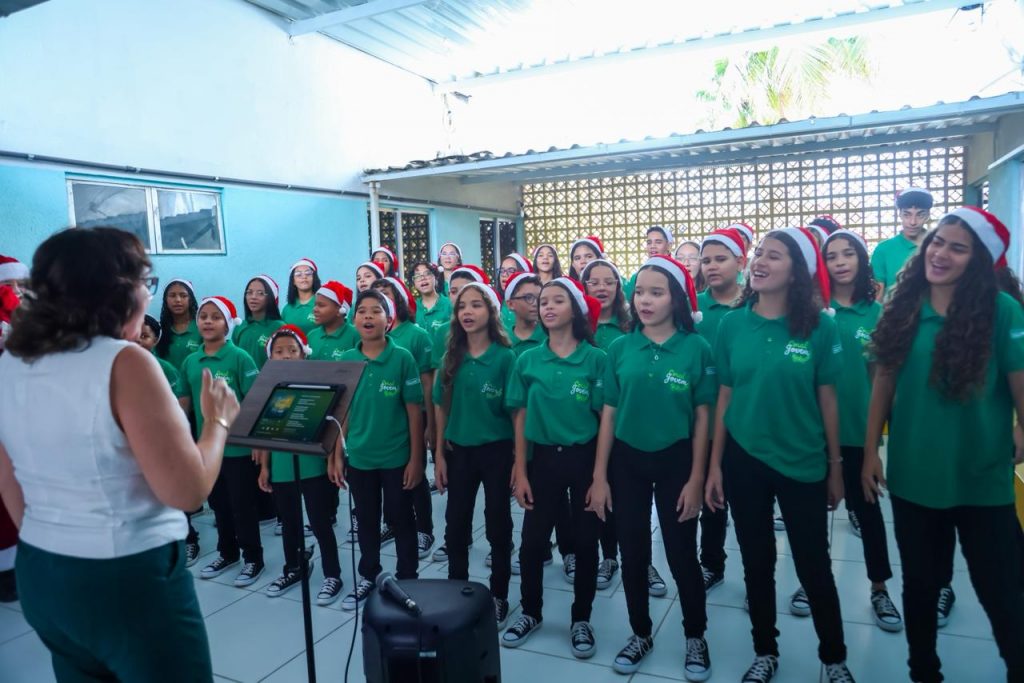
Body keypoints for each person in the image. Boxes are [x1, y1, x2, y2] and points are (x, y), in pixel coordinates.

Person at [0, 226, 239, 682]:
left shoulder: (10, 362)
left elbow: (9, 482)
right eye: (145, 285)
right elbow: (187, 490)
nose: (148, 299)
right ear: (117, 293)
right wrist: (217, 422)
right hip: (125, 577)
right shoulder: (123, 362)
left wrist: (56, 536)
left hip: (42, 573)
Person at [863, 206, 1024, 683]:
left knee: (1004, 592)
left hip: (982, 479)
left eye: (958, 247)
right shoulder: (903, 306)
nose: (941, 253)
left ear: (978, 260)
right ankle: (923, 671)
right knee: (920, 585)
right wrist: (871, 450)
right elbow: (884, 382)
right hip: (915, 476)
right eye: (937, 242)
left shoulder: (1003, 311)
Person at [705, 228, 855, 683]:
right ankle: (765, 650)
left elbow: (828, 399)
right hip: (744, 459)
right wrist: (714, 464)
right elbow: (724, 397)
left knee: (813, 563)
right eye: (759, 255)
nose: (761, 262)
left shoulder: (820, 324)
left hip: (803, 459)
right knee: (756, 559)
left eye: (775, 256)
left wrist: (835, 466)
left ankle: (834, 659)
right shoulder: (732, 324)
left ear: (798, 271)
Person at [588, 255, 715, 680]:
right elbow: (608, 413)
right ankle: (640, 632)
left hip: (678, 459)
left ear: (676, 299)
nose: (643, 300)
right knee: (633, 550)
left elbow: (702, 419)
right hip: (627, 461)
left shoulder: (696, 348)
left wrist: (697, 478)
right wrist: (600, 477)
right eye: (639, 291)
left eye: (656, 292)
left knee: (682, 555)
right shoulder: (621, 348)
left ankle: (695, 634)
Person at [502, 278, 605, 659]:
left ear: (575, 309)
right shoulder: (527, 360)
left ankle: (581, 618)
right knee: (531, 543)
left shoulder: (596, 359)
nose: (546, 307)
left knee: (584, 541)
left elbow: (604, 419)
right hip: (542, 459)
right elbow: (520, 416)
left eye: (557, 301)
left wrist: (600, 476)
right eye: (542, 301)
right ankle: (530, 611)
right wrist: (521, 468)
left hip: (584, 458)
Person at [813, 229, 902, 633]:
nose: (841, 261)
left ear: (862, 260)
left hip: (859, 432)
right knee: (812, 518)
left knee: (867, 513)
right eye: (832, 256)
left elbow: (881, 380)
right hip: (814, 434)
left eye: (849, 253)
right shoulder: (813, 311)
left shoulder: (875, 312)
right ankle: (809, 583)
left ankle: (879, 587)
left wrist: (874, 446)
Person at [329, 290, 423, 611]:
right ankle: (368, 573)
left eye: (376, 311)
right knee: (365, 519)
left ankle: (408, 575)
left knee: (400, 517)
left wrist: (416, 458)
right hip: (361, 458)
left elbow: (413, 411)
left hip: (396, 457)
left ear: (389, 319)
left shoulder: (402, 358)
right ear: (354, 319)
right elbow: (341, 413)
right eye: (362, 311)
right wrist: (337, 453)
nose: (368, 317)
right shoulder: (345, 360)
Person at [432, 281, 516, 627]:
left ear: (491, 312)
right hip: (459, 451)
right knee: (456, 525)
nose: (467, 311)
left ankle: (498, 596)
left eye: (476, 305)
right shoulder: (451, 356)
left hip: (496, 452)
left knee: (498, 525)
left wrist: (518, 463)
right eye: (462, 306)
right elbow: (440, 409)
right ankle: (458, 592)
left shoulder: (506, 357)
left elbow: (516, 414)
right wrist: (437, 454)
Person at [256, 325, 344, 606]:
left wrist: (332, 458)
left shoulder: (316, 386)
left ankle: (333, 573)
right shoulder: (269, 388)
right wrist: (265, 467)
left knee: (320, 521)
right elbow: (266, 432)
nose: (285, 356)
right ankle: (294, 567)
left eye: (291, 351)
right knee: (289, 521)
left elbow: (330, 427)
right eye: (279, 351)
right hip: (282, 466)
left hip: (311, 465)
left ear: (303, 355)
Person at [178, 296, 263, 583]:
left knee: (242, 505)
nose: (208, 321)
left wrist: (256, 443)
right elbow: (184, 407)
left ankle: (253, 558)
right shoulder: (191, 361)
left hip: (238, 449)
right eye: (203, 316)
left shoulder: (240, 357)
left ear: (227, 323)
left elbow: (254, 401)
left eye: (216, 317)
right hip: (207, 450)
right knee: (219, 505)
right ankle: (227, 553)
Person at [694, 228, 746, 593]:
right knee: (709, 499)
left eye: (720, 259)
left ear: (741, 262)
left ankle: (758, 574)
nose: (711, 266)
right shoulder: (693, 308)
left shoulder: (755, 306)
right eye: (706, 260)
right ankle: (711, 563)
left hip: (744, 420)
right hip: (700, 419)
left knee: (746, 504)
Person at [372, 276, 436, 559]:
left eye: (387, 294)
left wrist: (429, 424)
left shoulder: (416, 335)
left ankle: (424, 528)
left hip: (412, 416)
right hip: (382, 420)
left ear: (398, 298)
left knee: (416, 472)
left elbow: (426, 383)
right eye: (376, 296)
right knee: (387, 475)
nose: (381, 299)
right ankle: (393, 523)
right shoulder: (371, 336)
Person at [582, 258, 629, 591]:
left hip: (625, 421)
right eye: (593, 282)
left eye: (608, 281)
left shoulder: (632, 324)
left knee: (624, 494)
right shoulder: (580, 326)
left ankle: (629, 558)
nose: (601, 287)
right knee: (594, 491)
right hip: (586, 422)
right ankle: (600, 555)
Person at [871, 187, 933, 295]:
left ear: (927, 215)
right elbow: (878, 297)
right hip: (893, 311)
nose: (913, 222)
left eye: (920, 215)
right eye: (907, 214)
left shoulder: (938, 248)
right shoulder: (883, 250)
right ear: (899, 214)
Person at [232, 274, 283, 369]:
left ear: (270, 298)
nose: (253, 297)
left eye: (260, 293)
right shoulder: (240, 326)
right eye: (249, 292)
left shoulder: (279, 327)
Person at [155, 278, 202, 372]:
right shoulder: (158, 330)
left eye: (183, 295)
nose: (178, 300)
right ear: (166, 300)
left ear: (191, 300)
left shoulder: (202, 328)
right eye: (172, 295)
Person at [308, 280, 359, 361]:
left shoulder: (356, 335)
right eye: (315, 305)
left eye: (321, 305)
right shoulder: (311, 336)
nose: (314, 309)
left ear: (340, 310)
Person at [625, 225, 674, 299]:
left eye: (658, 242)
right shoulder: (637, 276)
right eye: (649, 242)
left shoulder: (676, 273)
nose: (652, 246)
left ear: (669, 246)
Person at [139, 315, 181, 392]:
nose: (138, 340)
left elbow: (178, 400)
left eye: (144, 336)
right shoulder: (118, 366)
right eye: (134, 335)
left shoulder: (166, 369)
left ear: (155, 340)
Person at [280, 258, 321, 333]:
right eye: (298, 274)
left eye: (308, 273)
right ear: (293, 281)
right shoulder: (287, 309)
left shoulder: (322, 304)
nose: (304, 277)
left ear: (314, 278)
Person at [412, 261, 450, 337]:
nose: (423, 278)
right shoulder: (412, 308)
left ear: (436, 278)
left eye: (427, 274)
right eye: (417, 276)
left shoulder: (449, 304)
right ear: (414, 283)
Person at [497, 253, 533, 329]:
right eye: (502, 270)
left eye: (511, 270)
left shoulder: (533, 303)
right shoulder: (495, 302)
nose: (504, 274)